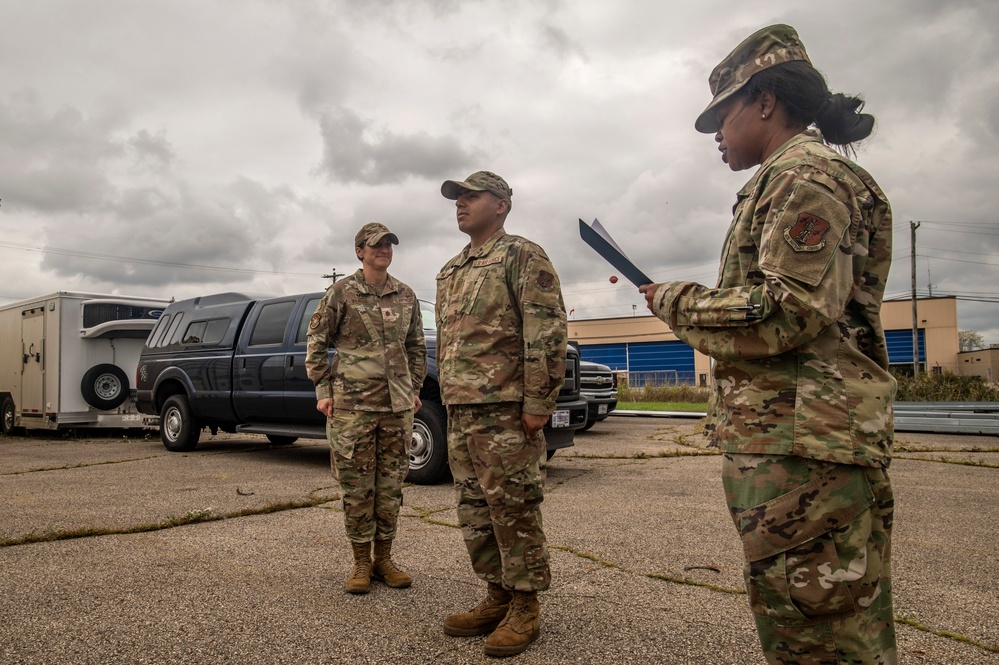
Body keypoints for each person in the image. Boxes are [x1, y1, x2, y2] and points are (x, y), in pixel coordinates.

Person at [640, 25, 897, 665]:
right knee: (807, 624)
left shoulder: (804, 176)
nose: (717, 137)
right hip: (791, 441)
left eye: (721, 116)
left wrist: (680, 301)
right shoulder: (781, 179)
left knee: (822, 637)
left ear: (764, 102)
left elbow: (788, 311)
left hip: (805, 447)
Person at [435, 171, 567, 658]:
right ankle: (497, 594)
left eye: (472, 196)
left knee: (513, 506)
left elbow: (546, 331)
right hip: (461, 408)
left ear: (502, 205)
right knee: (474, 509)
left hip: (505, 410)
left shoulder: (522, 256)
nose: (461, 204)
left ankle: (526, 604)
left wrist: (539, 401)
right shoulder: (451, 270)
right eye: (457, 198)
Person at [306, 222, 427, 595]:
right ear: (359, 250)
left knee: (390, 487)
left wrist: (415, 387)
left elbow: (417, 346)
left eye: (388, 244)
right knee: (358, 488)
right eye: (375, 245)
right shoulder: (340, 293)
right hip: (352, 406)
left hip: (397, 407)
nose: (383, 250)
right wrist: (323, 389)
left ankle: (384, 560)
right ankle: (361, 562)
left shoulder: (406, 294)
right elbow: (317, 340)